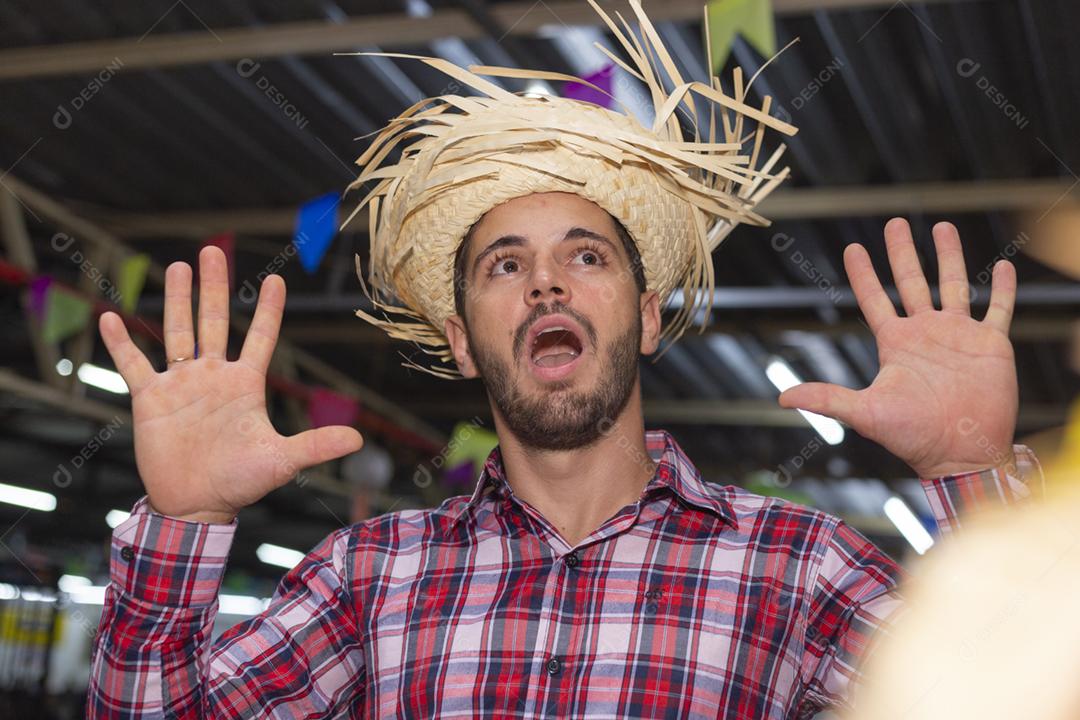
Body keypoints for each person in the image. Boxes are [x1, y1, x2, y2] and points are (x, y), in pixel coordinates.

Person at [86, 1, 1041, 717]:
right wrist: (186, 521)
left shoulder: (797, 569)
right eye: (506, 265)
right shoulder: (368, 577)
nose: (547, 284)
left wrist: (973, 476)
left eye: (588, 256)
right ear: (462, 339)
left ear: (648, 316)